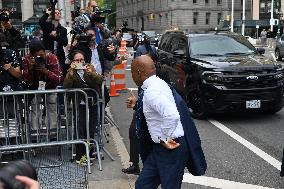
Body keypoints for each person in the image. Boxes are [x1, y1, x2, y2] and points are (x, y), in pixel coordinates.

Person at [131, 56, 206, 189]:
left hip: (171, 147)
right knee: (143, 185)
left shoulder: (152, 91)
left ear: (138, 72)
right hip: (160, 148)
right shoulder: (158, 83)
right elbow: (158, 108)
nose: (132, 76)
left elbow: (172, 115)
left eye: (131, 72)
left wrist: (164, 138)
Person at [63, 50, 103, 165]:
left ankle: (90, 153)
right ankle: (80, 156)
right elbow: (66, 86)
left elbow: (100, 80)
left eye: (81, 60)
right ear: (73, 61)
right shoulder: (71, 72)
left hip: (93, 103)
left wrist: (92, 73)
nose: (80, 62)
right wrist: (71, 72)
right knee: (81, 130)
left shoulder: (90, 67)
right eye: (77, 60)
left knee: (91, 129)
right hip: (80, 104)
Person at [22, 40, 63, 130]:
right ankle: (35, 133)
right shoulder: (27, 59)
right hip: (35, 88)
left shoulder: (52, 57)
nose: (40, 57)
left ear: (45, 51)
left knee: (52, 108)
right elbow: (27, 80)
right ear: (32, 55)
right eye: (38, 56)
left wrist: (47, 72)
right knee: (35, 109)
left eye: (42, 54)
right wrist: (30, 69)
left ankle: (53, 132)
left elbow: (59, 78)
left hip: (50, 87)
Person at [39, 8, 68, 75]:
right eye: (55, 13)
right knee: (48, 73)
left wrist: (56, 37)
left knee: (60, 73)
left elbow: (65, 43)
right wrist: (47, 13)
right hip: (48, 54)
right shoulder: (47, 26)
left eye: (59, 13)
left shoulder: (63, 29)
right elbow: (41, 21)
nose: (57, 14)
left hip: (59, 55)